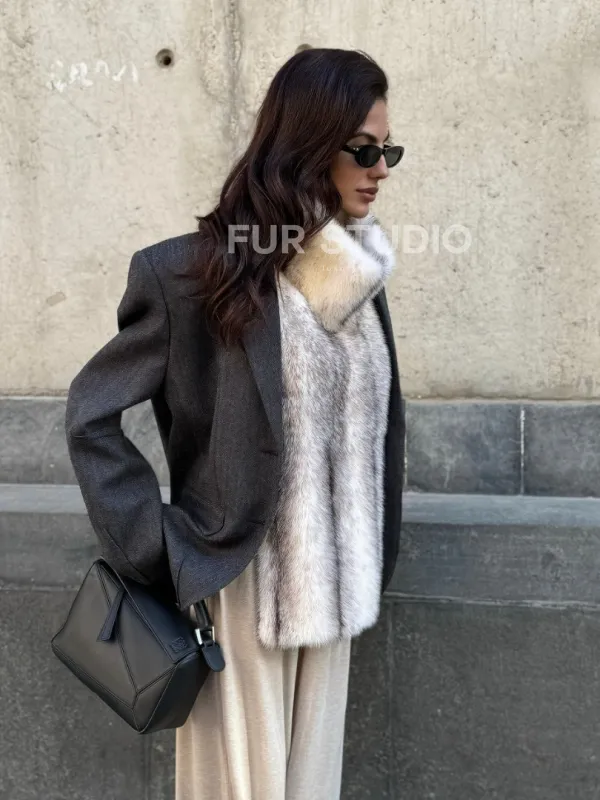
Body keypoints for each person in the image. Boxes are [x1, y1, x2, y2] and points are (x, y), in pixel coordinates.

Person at [64, 47, 406, 800]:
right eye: (363, 149)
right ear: (309, 144)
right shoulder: (192, 273)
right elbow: (92, 414)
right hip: (238, 587)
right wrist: (160, 548)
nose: (380, 168)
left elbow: (376, 432)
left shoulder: (355, 276)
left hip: (338, 595)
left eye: (389, 151)